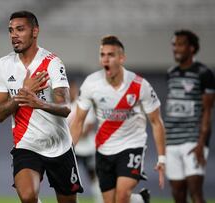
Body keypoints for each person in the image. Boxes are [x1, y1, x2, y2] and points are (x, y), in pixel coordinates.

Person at [0, 10, 83, 203]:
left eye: (20, 29)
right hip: (27, 144)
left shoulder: (52, 63)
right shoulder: (2, 66)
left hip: (59, 145)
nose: (14, 35)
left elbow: (65, 107)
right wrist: (22, 94)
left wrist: (37, 102)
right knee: (27, 196)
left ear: (35, 32)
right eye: (10, 30)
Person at [70, 35, 166, 203]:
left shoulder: (139, 85)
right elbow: (78, 121)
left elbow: (156, 121)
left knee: (121, 197)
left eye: (111, 55)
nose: (105, 59)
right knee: (110, 201)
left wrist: (162, 158)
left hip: (131, 146)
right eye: (102, 55)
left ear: (121, 58)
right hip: (104, 149)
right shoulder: (91, 84)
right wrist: (67, 151)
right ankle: (141, 200)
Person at [164, 29, 215, 203]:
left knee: (195, 191)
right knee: (178, 194)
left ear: (192, 48)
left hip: (193, 141)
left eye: (180, 44)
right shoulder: (171, 73)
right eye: (174, 45)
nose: (175, 48)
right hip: (172, 141)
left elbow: (208, 111)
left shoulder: (203, 73)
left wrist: (201, 143)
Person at [67, 80, 103, 203]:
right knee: (71, 178)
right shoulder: (64, 107)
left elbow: (88, 127)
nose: (71, 92)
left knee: (94, 176)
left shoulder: (83, 105)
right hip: (73, 149)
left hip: (88, 148)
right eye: (69, 89)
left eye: (73, 89)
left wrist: (71, 134)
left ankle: (100, 200)